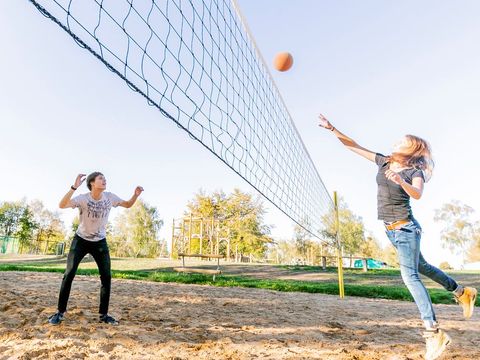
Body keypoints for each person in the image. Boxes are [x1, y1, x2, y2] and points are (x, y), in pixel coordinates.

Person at [318, 114, 477, 360]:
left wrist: (401, 181)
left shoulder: (415, 171)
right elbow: (353, 146)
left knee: (410, 276)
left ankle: (433, 333)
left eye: (401, 141)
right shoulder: (384, 161)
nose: (395, 142)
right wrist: (333, 129)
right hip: (392, 230)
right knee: (422, 266)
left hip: (406, 230)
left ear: (410, 148)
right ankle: (461, 292)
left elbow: (417, 194)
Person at [48, 172, 144, 325]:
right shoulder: (83, 198)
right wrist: (74, 187)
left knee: (106, 277)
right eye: (100, 178)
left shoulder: (110, 197)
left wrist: (135, 195)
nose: (104, 180)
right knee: (69, 274)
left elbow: (127, 204)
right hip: (80, 240)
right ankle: (59, 312)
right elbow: (62, 205)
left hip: (100, 242)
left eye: (105, 178)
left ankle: (104, 315)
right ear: (92, 183)